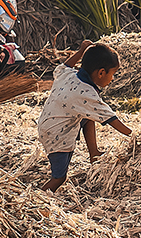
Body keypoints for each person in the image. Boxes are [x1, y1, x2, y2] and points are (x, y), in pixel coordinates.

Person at [37, 43, 133, 190]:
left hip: (46, 123)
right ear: (101, 73)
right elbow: (112, 120)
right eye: (112, 74)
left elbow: (64, 65)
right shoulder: (86, 94)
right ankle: (38, 198)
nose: (112, 79)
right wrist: (135, 136)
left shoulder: (68, 74)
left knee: (88, 116)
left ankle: (93, 153)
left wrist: (81, 51)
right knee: (59, 177)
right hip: (57, 135)